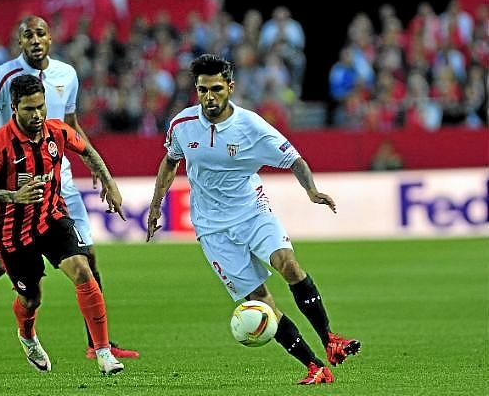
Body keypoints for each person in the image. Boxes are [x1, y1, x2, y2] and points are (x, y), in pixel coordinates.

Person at [0, 15, 138, 362]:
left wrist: (98, 171)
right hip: (16, 186)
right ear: (19, 41)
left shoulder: (67, 74)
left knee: (87, 256)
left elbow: (71, 125)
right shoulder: (3, 76)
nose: (35, 40)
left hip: (59, 179)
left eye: (41, 34)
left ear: (50, 38)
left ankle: (99, 346)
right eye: (28, 35)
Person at [146, 54, 360, 385]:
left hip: (252, 211)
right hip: (211, 229)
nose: (209, 97)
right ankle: (315, 366)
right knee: (262, 304)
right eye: (203, 90)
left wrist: (312, 191)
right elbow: (170, 161)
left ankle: (330, 338)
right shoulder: (181, 125)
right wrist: (156, 205)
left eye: (216, 89)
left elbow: (294, 160)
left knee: (288, 265)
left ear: (230, 88)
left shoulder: (252, 127)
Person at [0, 74, 125, 374]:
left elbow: (87, 151)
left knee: (83, 270)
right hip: (14, 234)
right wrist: (13, 196)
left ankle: (103, 352)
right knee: (31, 298)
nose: (37, 114)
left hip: (52, 218)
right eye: (29, 109)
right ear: (14, 108)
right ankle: (27, 336)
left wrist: (109, 182)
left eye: (41, 106)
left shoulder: (57, 132)